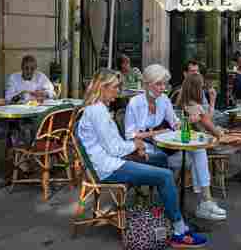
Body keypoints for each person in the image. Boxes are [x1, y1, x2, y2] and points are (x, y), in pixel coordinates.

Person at [77, 69, 208, 248]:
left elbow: (114, 144)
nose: (118, 91)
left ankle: (163, 210)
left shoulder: (99, 109)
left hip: (113, 160)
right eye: (115, 87)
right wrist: (136, 146)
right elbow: (114, 148)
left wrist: (135, 148)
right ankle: (179, 230)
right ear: (103, 87)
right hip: (109, 168)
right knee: (165, 176)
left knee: (161, 158)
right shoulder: (97, 111)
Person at [123, 64, 227, 221]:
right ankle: (177, 207)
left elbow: (175, 123)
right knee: (186, 159)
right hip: (144, 148)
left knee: (198, 150)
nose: (162, 88)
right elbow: (130, 135)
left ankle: (206, 200)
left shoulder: (163, 100)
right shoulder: (135, 103)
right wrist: (157, 133)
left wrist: (187, 120)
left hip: (164, 146)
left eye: (164, 84)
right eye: (158, 84)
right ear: (147, 84)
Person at [178, 74, 241, 194]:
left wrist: (228, 132)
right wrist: (233, 136)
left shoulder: (186, 104)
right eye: (201, 86)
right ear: (196, 88)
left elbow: (207, 122)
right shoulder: (196, 107)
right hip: (210, 143)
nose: (203, 88)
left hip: (205, 138)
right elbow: (213, 130)